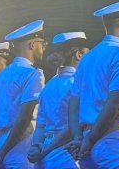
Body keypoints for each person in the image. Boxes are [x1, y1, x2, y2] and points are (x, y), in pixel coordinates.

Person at [67, 0, 119, 168]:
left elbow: (73, 104)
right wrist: (90, 140)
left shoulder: (87, 58)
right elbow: (114, 103)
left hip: (85, 139)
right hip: (112, 138)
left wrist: (79, 138)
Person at [0, 20, 47, 169]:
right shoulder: (32, 74)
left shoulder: (1, 76)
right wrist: (2, 152)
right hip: (21, 143)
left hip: (0, 141)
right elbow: (25, 117)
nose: (43, 48)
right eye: (41, 43)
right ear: (32, 45)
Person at [28, 32, 89, 168]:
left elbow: (40, 126)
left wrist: (38, 147)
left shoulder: (48, 85)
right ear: (79, 55)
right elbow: (74, 125)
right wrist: (47, 149)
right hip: (68, 154)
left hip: (45, 158)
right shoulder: (79, 83)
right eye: (86, 54)